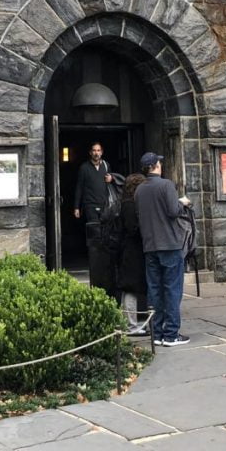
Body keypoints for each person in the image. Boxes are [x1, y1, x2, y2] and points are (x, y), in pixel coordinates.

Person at [135, 152, 191, 347]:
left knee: (155, 290)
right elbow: (173, 211)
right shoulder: (166, 185)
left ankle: (157, 333)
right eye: (159, 162)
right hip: (169, 243)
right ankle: (171, 334)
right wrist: (182, 203)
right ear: (155, 166)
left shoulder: (139, 189)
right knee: (173, 289)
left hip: (150, 245)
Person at [73, 142, 115, 296]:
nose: (96, 153)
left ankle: (104, 260)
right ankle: (94, 260)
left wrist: (112, 179)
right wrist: (76, 207)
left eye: (99, 151)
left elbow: (111, 183)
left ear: (102, 152)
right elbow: (79, 187)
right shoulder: (84, 168)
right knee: (94, 233)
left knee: (106, 232)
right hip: (90, 205)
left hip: (105, 204)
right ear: (90, 153)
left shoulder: (106, 165)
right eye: (94, 151)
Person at [118, 173, 148, 336]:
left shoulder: (127, 202)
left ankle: (129, 323)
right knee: (131, 287)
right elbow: (132, 228)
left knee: (129, 288)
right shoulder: (129, 205)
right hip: (132, 250)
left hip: (128, 249)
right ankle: (131, 326)